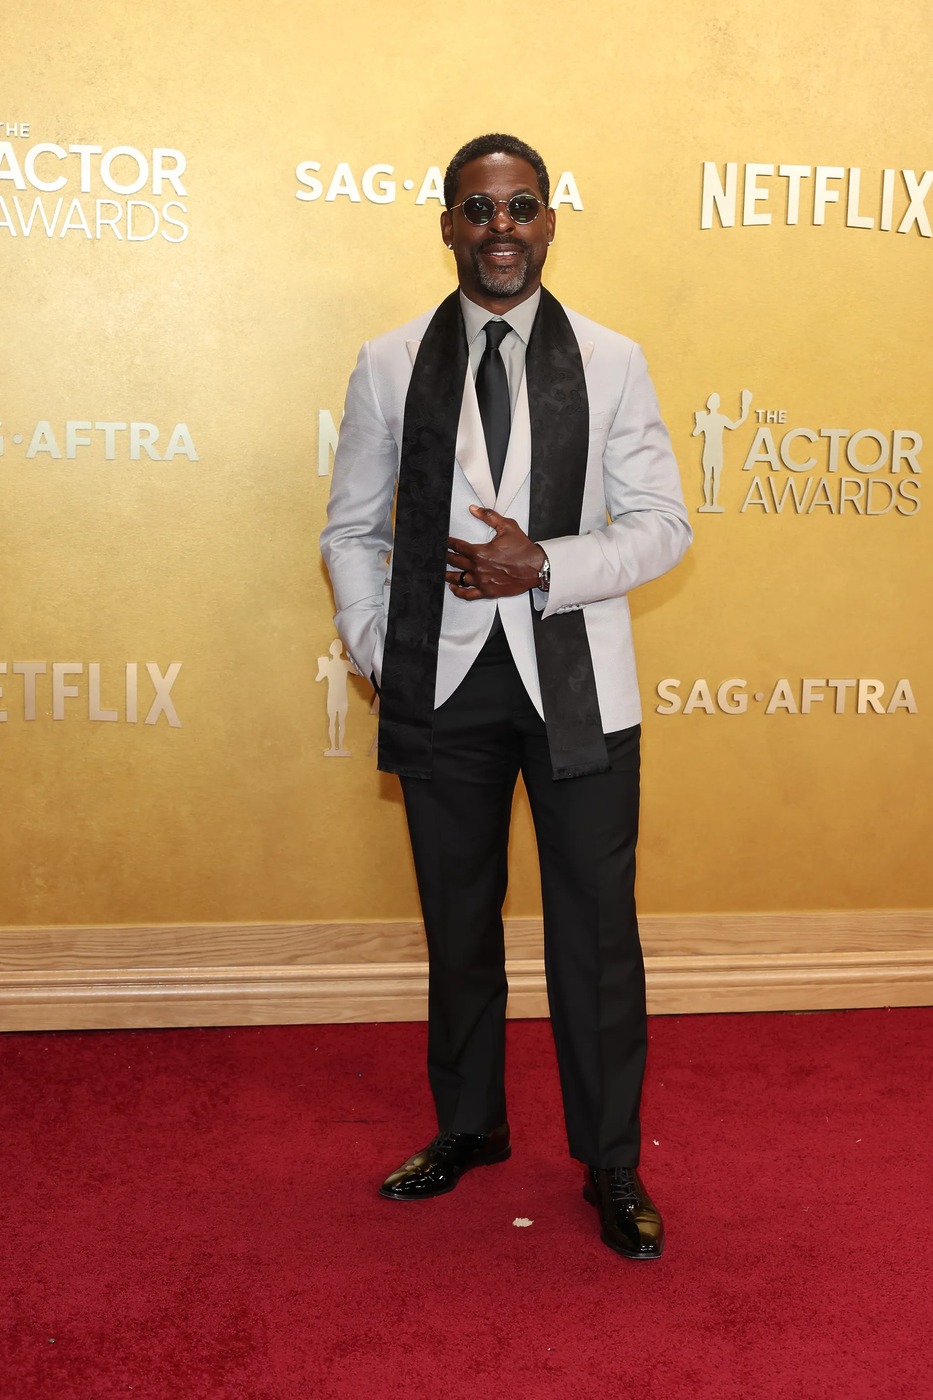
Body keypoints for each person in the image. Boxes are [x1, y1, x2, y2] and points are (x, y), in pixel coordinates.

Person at [320, 133, 691, 1260]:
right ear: (447, 224)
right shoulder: (390, 360)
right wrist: (379, 647)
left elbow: (662, 525)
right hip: (440, 683)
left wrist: (546, 565)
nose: (501, 229)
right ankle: (468, 1124)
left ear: (548, 221)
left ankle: (610, 1159)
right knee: (457, 919)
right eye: (479, 210)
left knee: (595, 932)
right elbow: (351, 528)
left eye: (521, 207)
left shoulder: (612, 358)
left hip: (574, 682)